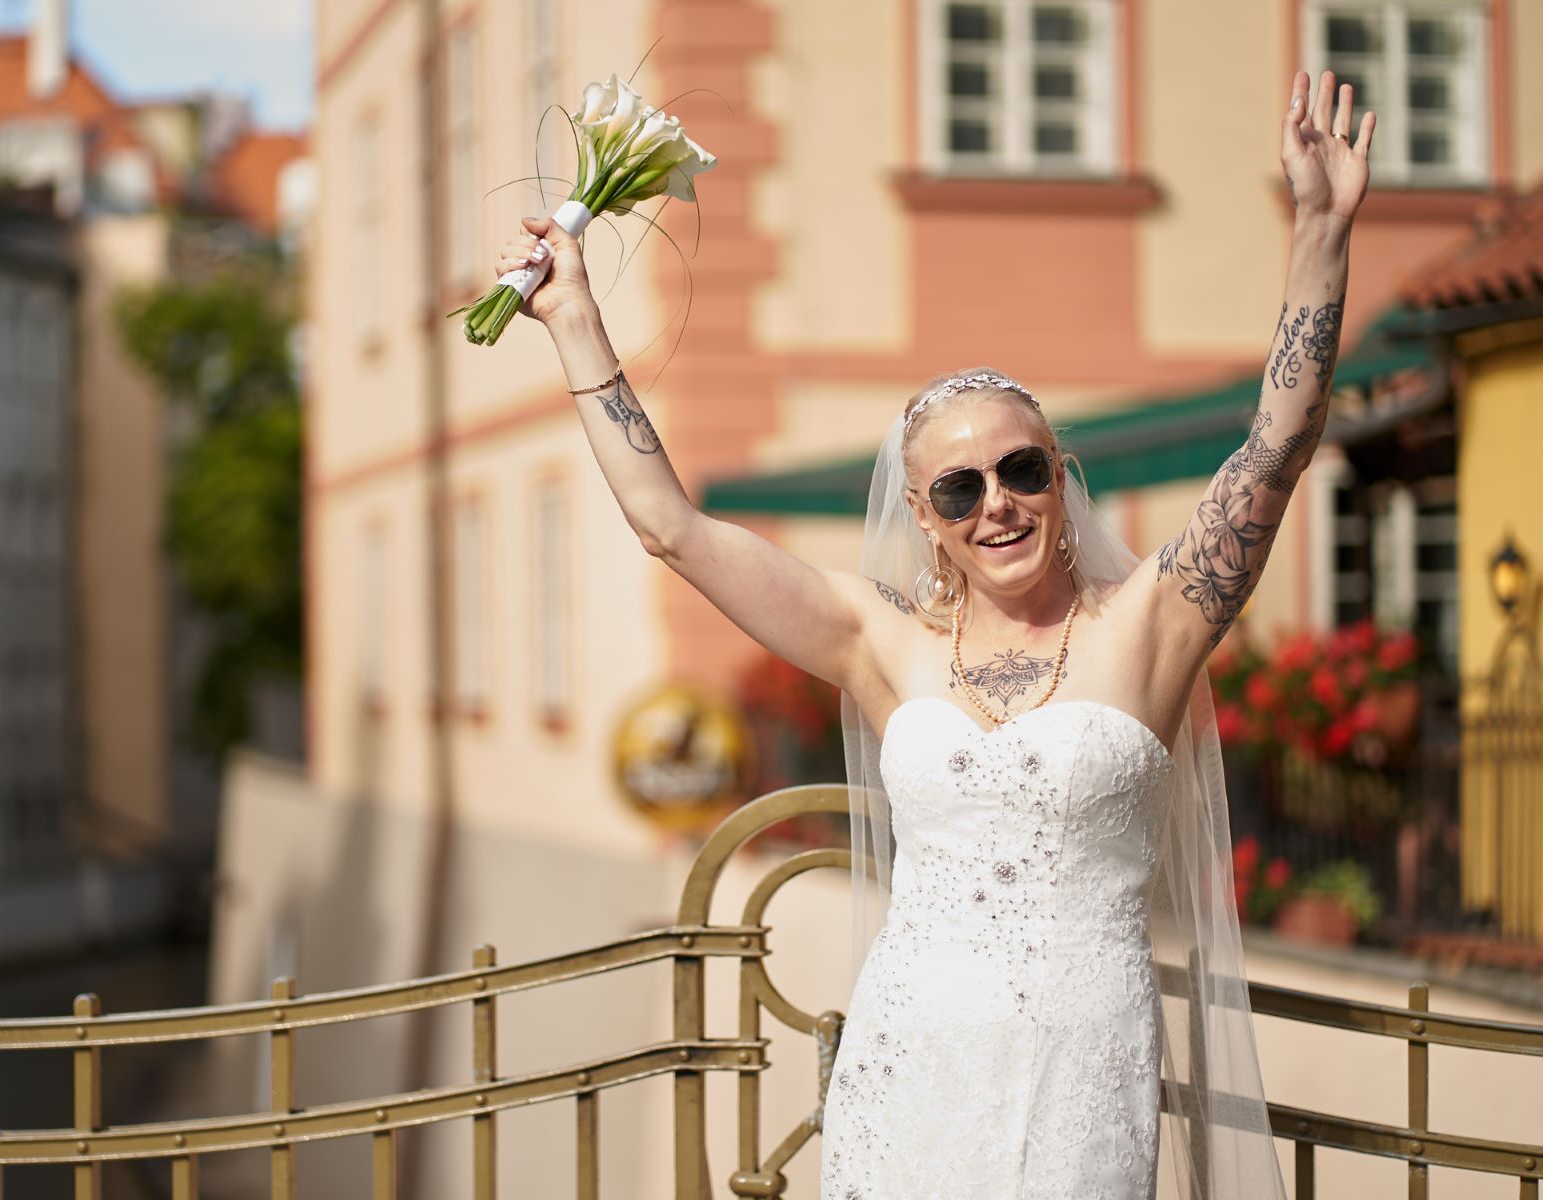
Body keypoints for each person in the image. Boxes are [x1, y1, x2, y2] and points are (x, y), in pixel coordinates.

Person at [492, 68, 1370, 1199]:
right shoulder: (879, 639)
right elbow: (669, 527)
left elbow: (1279, 445)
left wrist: (1321, 228)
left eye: (1020, 471)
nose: (994, 503)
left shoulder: (1153, 622)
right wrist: (574, 319)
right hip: (910, 1062)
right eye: (957, 490)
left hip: (1079, 1072)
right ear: (924, 521)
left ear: (1061, 479)